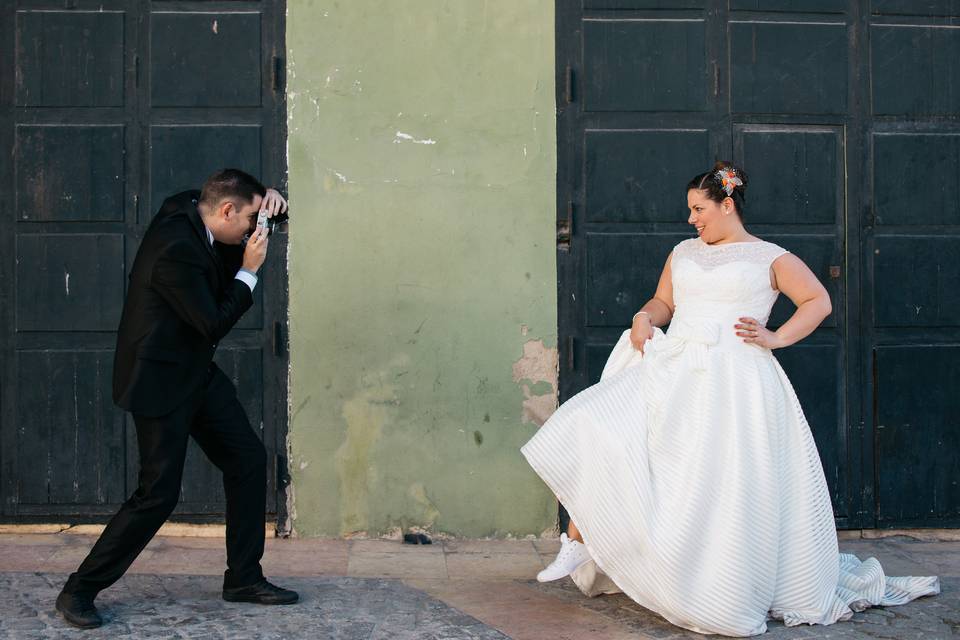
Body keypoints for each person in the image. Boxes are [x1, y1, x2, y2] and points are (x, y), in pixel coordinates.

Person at [521, 162, 939, 636]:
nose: (691, 219)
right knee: (593, 426)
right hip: (675, 367)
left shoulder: (769, 258)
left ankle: (717, 584)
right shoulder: (682, 252)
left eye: (699, 209)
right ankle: (580, 537)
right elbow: (665, 303)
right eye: (689, 210)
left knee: (719, 482)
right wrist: (643, 315)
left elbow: (818, 300)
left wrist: (776, 337)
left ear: (727, 205)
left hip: (735, 382)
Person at [55, 169, 298, 629]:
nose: (253, 232)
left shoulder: (191, 204)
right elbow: (212, 323)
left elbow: (233, 193)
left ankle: (243, 578)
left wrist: (268, 201)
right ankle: (78, 590)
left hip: (194, 372)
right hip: (158, 380)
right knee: (157, 495)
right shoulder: (174, 250)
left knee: (246, 460)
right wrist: (249, 271)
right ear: (226, 211)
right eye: (250, 223)